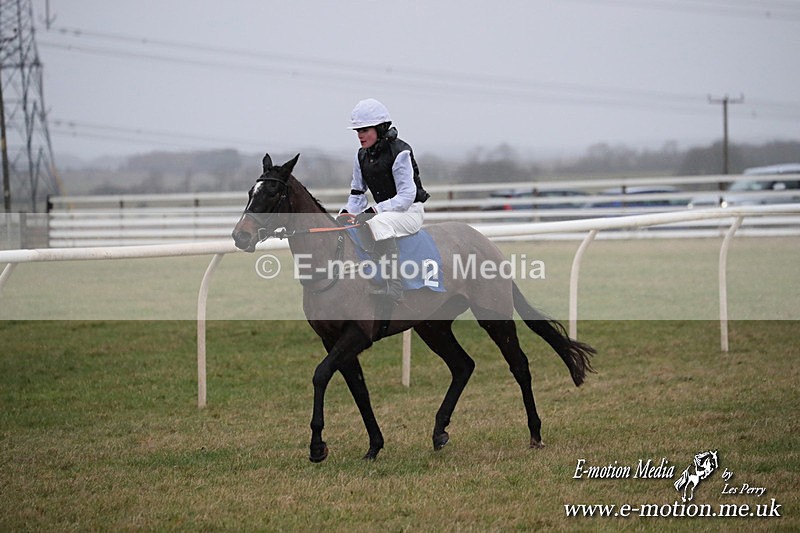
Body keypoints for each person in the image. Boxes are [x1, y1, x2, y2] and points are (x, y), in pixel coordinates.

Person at [338, 98, 429, 303]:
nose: (360, 136)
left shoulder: (400, 152)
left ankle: (395, 287)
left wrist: (375, 211)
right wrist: (347, 213)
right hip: (387, 213)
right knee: (351, 225)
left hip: (409, 213)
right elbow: (357, 194)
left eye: (364, 130)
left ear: (380, 128)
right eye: (357, 131)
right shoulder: (361, 156)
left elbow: (406, 197)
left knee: (377, 222)